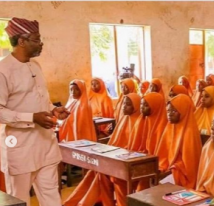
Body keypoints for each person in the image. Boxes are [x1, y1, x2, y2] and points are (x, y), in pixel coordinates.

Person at [0, 17, 69, 206]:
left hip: (45, 144)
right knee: (19, 200)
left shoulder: (35, 66)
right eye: (36, 39)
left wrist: (53, 110)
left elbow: (39, 101)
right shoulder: (3, 70)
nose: (41, 43)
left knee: (51, 196)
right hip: (20, 147)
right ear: (21, 41)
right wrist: (32, 118)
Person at [63, 93, 141, 206]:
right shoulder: (124, 120)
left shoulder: (140, 122)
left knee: (112, 175)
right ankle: (105, 203)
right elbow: (115, 142)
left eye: (128, 104)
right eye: (123, 103)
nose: (123, 107)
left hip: (130, 161)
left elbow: (138, 148)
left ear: (136, 106)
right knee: (98, 171)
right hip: (117, 157)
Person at [156, 94, 202, 189]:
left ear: (184, 111)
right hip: (169, 169)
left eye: (174, 111)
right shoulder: (169, 127)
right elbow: (163, 155)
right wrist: (161, 167)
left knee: (162, 187)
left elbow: (190, 167)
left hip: (182, 174)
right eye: (168, 111)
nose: (169, 114)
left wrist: (173, 169)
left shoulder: (190, 132)